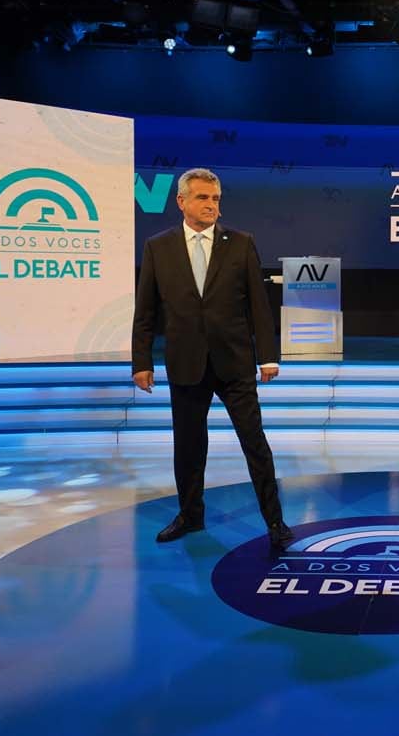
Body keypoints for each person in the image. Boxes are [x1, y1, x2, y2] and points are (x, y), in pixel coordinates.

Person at [131, 167, 294, 548]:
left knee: (255, 443)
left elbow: (258, 304)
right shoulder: (158, 246)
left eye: (216, 199)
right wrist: (142, 361)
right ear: (182, 202)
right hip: (186, 363)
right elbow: (146, 310)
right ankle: (190, 516)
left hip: (234, 363)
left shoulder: (240, 242)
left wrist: (268, 356)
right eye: (203, 198)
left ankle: (275, 523)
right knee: (188, 446)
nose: (211, 205)